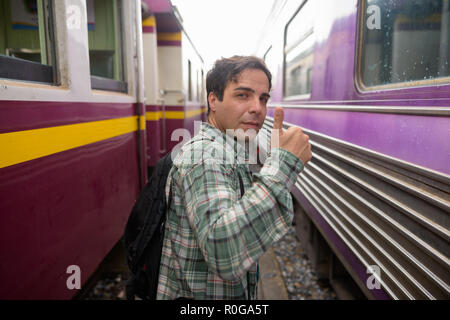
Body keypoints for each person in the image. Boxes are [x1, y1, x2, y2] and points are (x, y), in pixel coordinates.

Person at [156, 56, 312, 300]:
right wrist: (283, 166)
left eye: (263, 98)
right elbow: (224, 252)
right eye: (243, 95)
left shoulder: (229, 148)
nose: (257, 108)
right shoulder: (206, 156)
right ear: (213, 100)